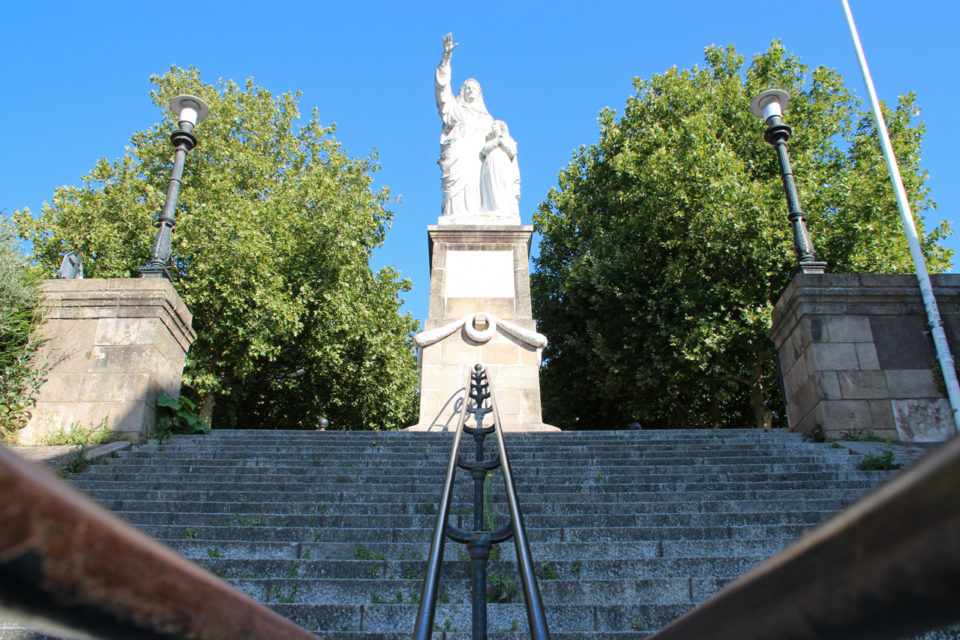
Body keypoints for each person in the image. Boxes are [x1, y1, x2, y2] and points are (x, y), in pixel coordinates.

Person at [435, 33, 495, 219]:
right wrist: (446, 59)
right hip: (459, 156)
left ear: (479, 94)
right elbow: (442, 92)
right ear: (462, 91)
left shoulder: (488, 119)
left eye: (474, 88)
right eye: (466, 87)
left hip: (478, 159)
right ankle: (456, 216)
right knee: (457, 196)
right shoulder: (455, 110)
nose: (470, 90)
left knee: (477, 188)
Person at [480, 120, 520, 219]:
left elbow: (512, 151)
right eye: (492, 125)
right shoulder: (489, 141)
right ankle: (492, 209)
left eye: (495, 125)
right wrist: (496, 141)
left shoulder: (508, 140)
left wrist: (500, 140)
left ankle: (503, 209)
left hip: (502, 164)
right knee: (492, 186)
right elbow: (485, 150)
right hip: (490, 165)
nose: (493, 127)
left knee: (503, 185)